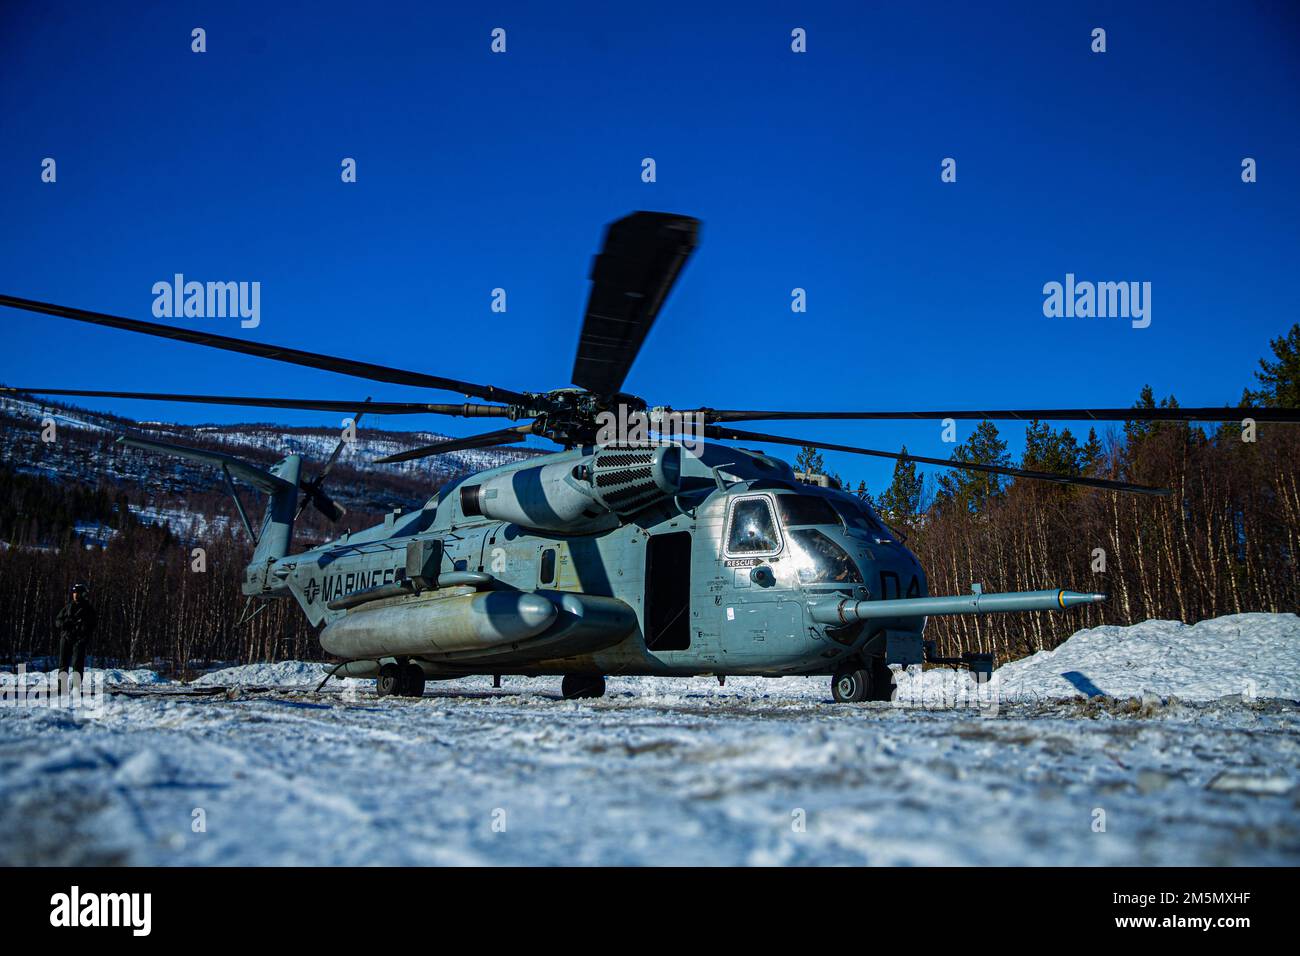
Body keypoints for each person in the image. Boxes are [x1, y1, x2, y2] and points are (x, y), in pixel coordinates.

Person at [55, 583, 97, 690]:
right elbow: (58, 621)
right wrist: (65, 624)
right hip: (66, 638)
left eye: (77, 593)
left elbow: (92, 624)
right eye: (74, 593)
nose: (75, 595)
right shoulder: (68, 607)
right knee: (63, 665)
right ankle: (62, 688)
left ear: (83, 594)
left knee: (77, 665)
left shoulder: (88, 609)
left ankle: (76, 688)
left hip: (79, 640)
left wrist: (83, 633)